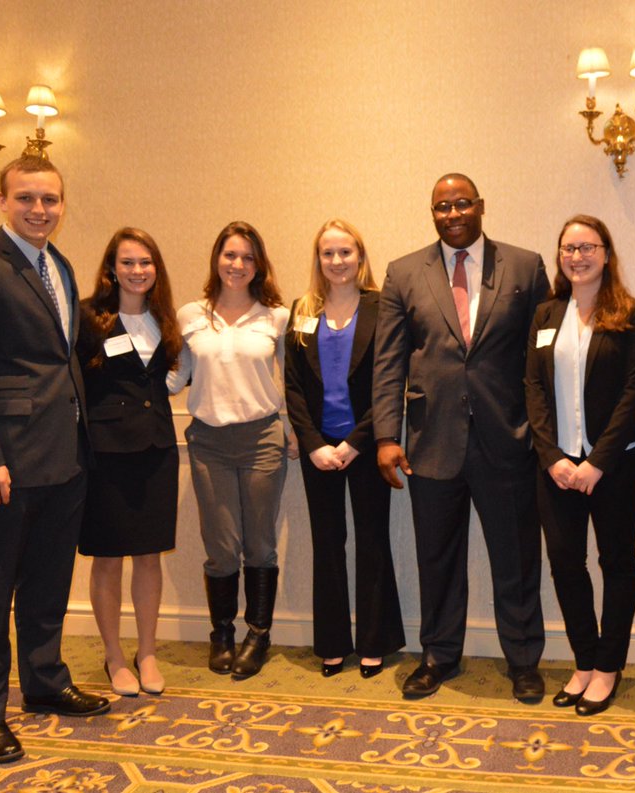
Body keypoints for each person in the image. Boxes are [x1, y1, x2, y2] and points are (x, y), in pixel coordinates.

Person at [0, 156, 109, 764]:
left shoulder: (59, 265)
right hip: (3, 463)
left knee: (48, 581)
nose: (40, 209)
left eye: (50, 199)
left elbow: (60, 360)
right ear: (2, 200)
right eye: (27, 198)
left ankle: (45, 681)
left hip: (65, 456)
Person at [372, 173, 549, 701]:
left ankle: (523, 661)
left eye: (461, 203)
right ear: (433, 213)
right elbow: (389, 362)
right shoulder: (403, 272)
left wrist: (543, 433)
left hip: (508, 437)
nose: (452, 214)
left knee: (516, 558)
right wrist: (386, 436)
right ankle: (438, 656)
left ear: (480, 206)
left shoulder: (525, 266)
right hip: (432, 442)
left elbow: (541, 355)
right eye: (442, 206)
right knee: (438, 560)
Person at [524, 215, 635, 717]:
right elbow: (533, 388)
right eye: (568, 248)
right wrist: (551, 456)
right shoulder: (545, 314)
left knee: (616, 561)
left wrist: (597, 462)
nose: (577, 257)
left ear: (606, 253)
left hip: (613, 465)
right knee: (564, 562)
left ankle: (608, 666)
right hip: (556, 466)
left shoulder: (630, 312)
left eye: (587, 247)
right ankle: (584, 661)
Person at [285, 219, 405, 679]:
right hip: (317, 450)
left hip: (368, 446)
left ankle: (375, 641)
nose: (336, 261)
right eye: (327, 253)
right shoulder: (302, 310)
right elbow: (293, 386)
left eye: (345, 252)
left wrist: (356, 443)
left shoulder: (382, 307)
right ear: (318, 260)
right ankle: (332, 642)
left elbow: (389, 383)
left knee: (373, 541)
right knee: (327, 543)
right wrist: (313, 445)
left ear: (360, 256)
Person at [175, 221, 293, 680]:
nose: (238, 264)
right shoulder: (191, 315)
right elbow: (174, 376)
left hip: (262, 439)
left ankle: (258, 635)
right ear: (216, 259)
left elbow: (291, 382)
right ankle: (221, 633)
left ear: (258, 264)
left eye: (247, 257)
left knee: (260, 544)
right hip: (209, 442)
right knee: (221, 547)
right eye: (230, 255)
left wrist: (295, 431)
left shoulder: (276, 317)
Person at [76, 227, 184, 697]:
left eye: (145, 262)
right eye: (128, 262)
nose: (137, 270)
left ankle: (147, 652)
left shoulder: (166, 318)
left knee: (148, 555)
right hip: (106, 454)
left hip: (157, 450)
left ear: (155, 268)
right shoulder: (87, 318)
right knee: (107, 558)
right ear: (112, 268)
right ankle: (114, 657)